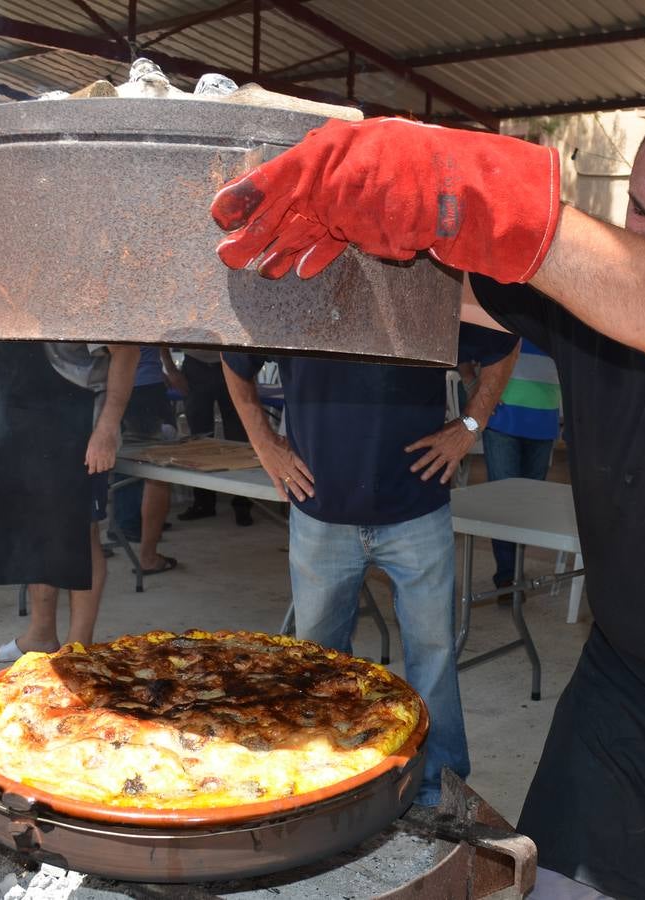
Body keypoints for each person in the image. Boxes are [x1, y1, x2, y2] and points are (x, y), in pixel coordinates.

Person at [208, 91, 645, 897]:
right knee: (543, 884)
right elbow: (448, 295)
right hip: (630, 686)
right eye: (642, 212)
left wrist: (490, 194)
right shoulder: (610, 289)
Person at [221, 323, 519, 808]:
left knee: (433, 655)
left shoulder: (416, 282)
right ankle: (326, 783)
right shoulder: (298, 289)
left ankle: (435, 790)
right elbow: (234, 360)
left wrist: (469, 426)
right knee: (318, 662)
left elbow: (505, 344)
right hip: (320, 510)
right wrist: (265, 444)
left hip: (416, 508)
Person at [0, 341, 139, 663]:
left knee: (81, 533)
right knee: (36, 527)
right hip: (23, 417)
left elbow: (126, 350)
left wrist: (107, 428)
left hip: (80, 421)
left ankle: (78, 647)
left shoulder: (85, 292)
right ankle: (40, 634)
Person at [481, 338, 561, 591]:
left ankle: (514, 570)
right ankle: (507, 576)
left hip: (545, 418)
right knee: (503, 501)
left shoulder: (561, 317)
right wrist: (473, 384)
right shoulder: (506, 309)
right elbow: (466, 344)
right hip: (502, 419)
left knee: (527, 505)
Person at [122, 345, 184, 575]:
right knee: (158, 472)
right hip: (144, 387)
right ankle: (148, 556)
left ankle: (125, 524)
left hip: (113, 386)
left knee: (118, 464)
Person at [175, 348, 254, 526]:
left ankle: (242, 503)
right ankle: (204, 502)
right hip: (195, 364)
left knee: (238, 439)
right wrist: (171, 368)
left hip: (231, 360)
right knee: (199, 439)